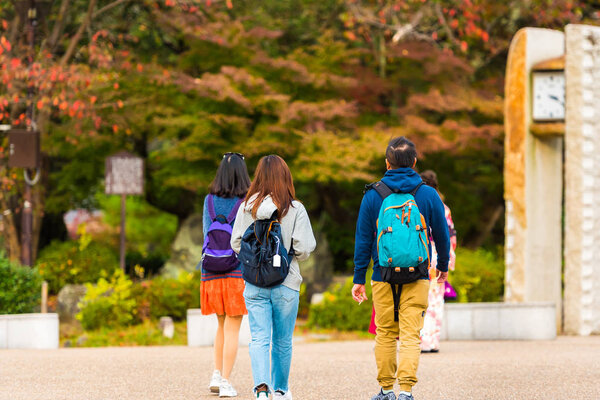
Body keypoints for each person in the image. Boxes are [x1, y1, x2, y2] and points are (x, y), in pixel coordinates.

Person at [351, 137, 450, 400]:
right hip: (418, 273)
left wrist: (359, 277)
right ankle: (405, 391)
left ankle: (386, 390)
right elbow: (441, 234)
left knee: (385, 333)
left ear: (387, 163)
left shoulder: (373, 195)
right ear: (415, 162)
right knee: (410, 335)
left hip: (382, 274)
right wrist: (442, 267)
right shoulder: (428, 194)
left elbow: (363, 239)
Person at [231, 155, 316, 400]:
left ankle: (261, 389)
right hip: (286, 283)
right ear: (286, 177)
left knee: (259, 338)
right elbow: (304, 248)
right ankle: (280, 389)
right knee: (283, 340)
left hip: (254, 283)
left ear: (258, 177)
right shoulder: (295, 208)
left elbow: (235, 242)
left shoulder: (247, 207)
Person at [201, 152, 251, 398]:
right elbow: (247, 240)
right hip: (235, 272)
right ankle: (225, 381)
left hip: (210, 271)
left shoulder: (208, 200)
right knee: (233, 328)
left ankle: (216, 373)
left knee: (220, 326)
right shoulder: (246, 202)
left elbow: (204, 236)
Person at [419, 170, 457, 353]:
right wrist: (446, 259)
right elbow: (452, 238)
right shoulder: (444, 208)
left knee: (421, 298)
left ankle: (422, 340)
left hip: (423, 253)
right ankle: (433, 341)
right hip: (439, 254)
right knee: (436, 299)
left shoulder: (417, 204)